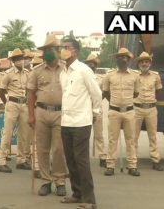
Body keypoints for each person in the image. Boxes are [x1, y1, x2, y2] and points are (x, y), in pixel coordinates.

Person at [59, 38, 101, 209]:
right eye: (62, 48)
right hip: (66, 121)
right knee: (70, 159)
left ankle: (89, 199)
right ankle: (77, 193)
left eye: (66, 48)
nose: (63, 50)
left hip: (82, 122)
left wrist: (95, 113)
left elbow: (96, 94)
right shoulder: (63, 72)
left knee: (81, 160)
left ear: (75, 51)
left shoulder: (84, 70)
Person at [27, 34, 68, 196]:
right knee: (42, 149)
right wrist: (31, 115)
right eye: (46, 50)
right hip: (42, 112)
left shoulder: (66, 69)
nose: (49, 52)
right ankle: (45, 181)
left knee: (59, 149)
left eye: (52, 49)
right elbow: (30, 94)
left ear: (58, 51)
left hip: (61, 112)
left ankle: (60, 181)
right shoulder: (36, 71)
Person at [102, 48, 141, 177]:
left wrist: (125, 103)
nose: (122, 59)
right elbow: (106, 92)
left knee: (131, 139)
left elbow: (136, 93)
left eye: (125, 57)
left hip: (129, 111)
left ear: (129, 59)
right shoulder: (109, 75)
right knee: (113, 139)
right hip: (114, 111)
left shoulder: (135, 75)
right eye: (119, 57)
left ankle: (132, 166)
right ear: (116, 59)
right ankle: (110, 165)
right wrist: (115, 103)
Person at [0, 48, 32, 173]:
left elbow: (30, 90)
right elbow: (1, 91)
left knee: (24, 134)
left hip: (24, 104)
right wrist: (7, 103)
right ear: (13, 61)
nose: (20, 61)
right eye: (17, 59)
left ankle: (21, 160)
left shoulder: (28, 73)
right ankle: (1, 161)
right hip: (12, 103)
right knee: (7, 133)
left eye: (21, 59)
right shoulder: (9, 73)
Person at [134, 52, 164, 171]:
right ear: (138, 64)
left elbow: (158, 90)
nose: (144, 64)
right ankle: (133, 160)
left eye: (146, 61)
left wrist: (152, 101)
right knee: (133, 136)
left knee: (153, 136)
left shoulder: (155, 76)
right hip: (137, 108)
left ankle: (155, 160)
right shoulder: (134, 76)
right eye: (142, 62)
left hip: (151, 109)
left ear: (150, 63)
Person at [84, 53, 107, 167]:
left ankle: (102, 156)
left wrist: (96, 101)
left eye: (93, 63)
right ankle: (83, 158)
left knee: (99, 134)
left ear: (96, 65)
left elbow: (104, 93)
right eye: (89, 63)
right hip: (84, 109)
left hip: (97, 109)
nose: (91, 65)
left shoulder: (101, 79)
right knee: (83, 135)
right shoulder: (82, 77)